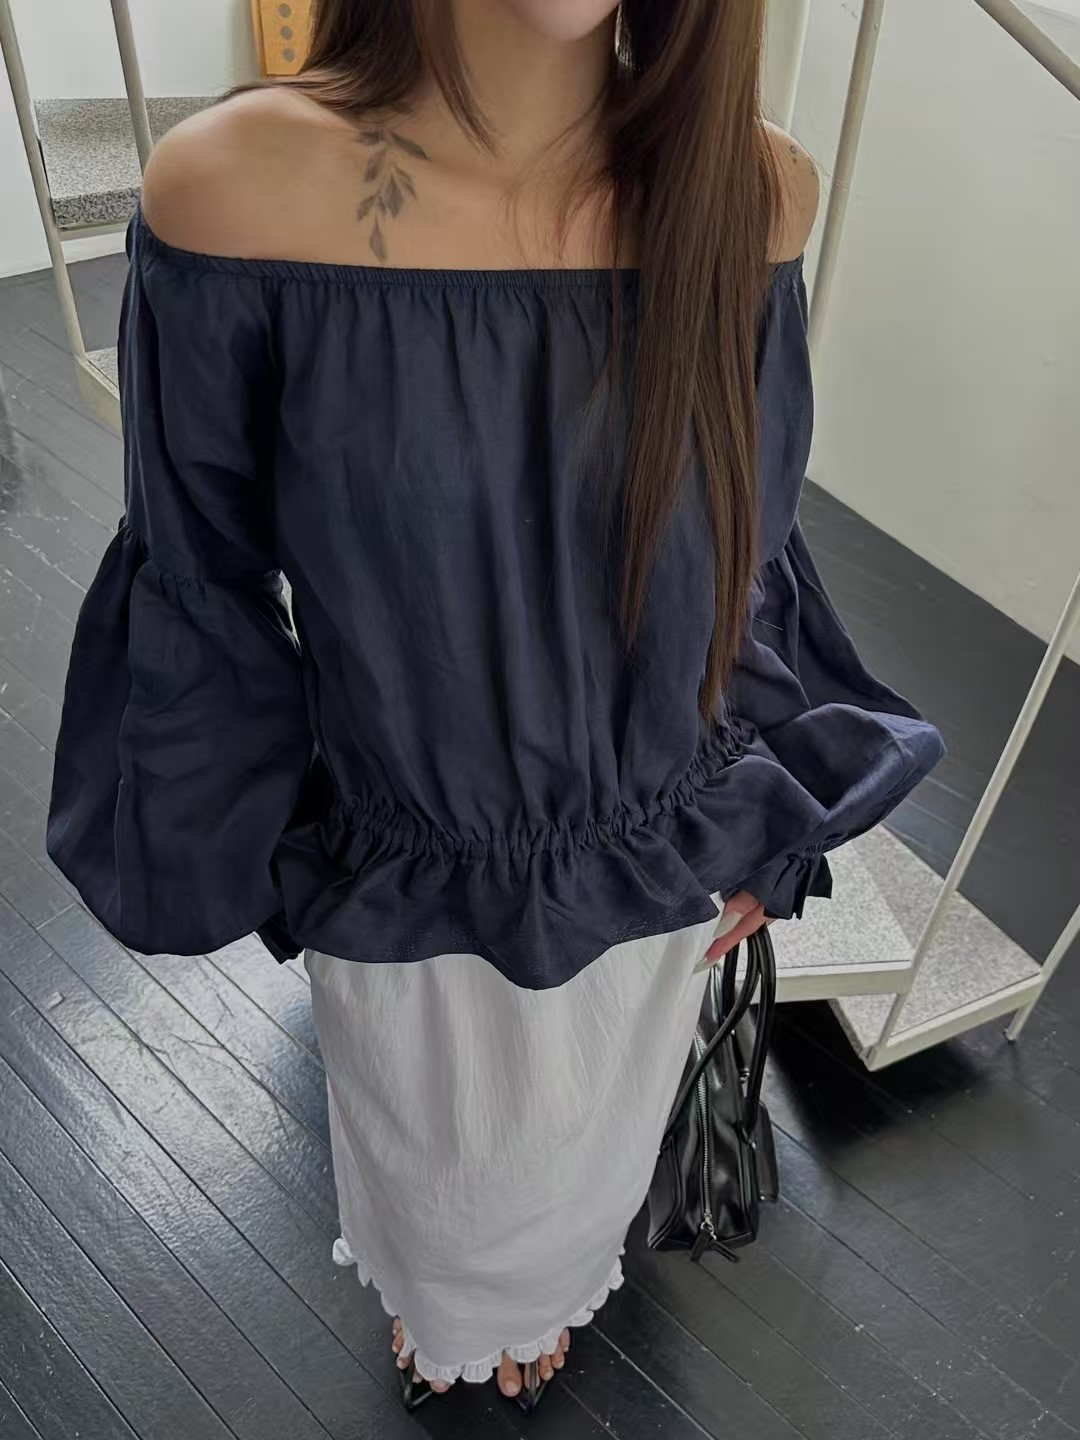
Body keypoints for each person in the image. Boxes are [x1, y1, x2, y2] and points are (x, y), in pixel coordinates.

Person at [47, 0, 944, 1415]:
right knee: (444, 1197)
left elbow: (747, 551)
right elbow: (199, 579)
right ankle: (464, 1304)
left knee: (591, 1153)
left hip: (654, 868)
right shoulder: (238, 191)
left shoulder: (751, 192)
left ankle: (543, 1282)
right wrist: (275, 841)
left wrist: (756, 830)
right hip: (411, 871)